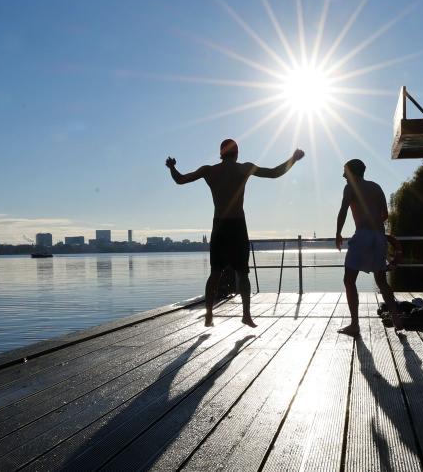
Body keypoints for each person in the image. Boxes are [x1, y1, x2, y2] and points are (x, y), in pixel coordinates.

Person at [166, 139, 305, 327]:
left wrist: (172, 167)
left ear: (221, 153)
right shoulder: (243, 169)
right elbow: (274, 173)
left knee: (215, 272)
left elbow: (180, 180)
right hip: (238, 225)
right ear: (237, 153)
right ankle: (246, 315)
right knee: (243, 272)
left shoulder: (209, 170)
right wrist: (293, 158)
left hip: (219, 226)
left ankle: (208, 314)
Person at [335, 158, 404, 336]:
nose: (343, 175)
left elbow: (343, 210)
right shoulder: (376, 187)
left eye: (345, 171)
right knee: (381, 281)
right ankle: (397, 320)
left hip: (364, 235)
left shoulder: (350, 187)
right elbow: (385, 214)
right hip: (379, 237)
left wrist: (338, 233)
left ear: (352, 172)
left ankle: (355, 324)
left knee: (349, 280)